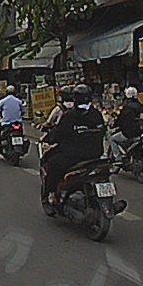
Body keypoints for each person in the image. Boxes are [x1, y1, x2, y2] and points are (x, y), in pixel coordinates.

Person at [40, 84, 106, 214]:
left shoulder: (70, 116)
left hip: (74, 156)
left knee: (53, 163)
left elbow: (58, 133)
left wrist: (49, 139)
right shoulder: (96, 114)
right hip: (95, 155)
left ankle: (50, 194)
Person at [109, 86, 143, 160]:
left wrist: (115, 125)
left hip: (129, 134)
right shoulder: (142, 107)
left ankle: (118, 158)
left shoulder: (128, 108)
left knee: (112, 139)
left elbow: (121, 120)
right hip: (141, 132)